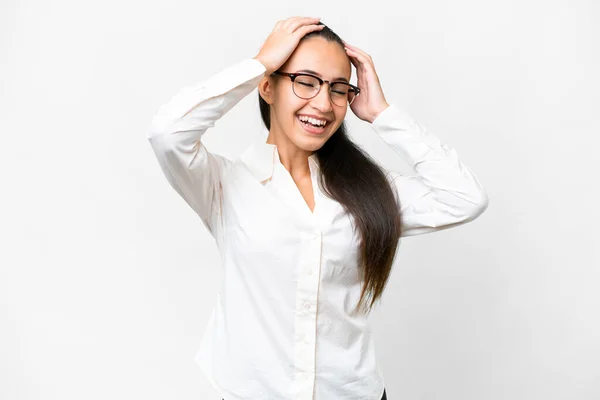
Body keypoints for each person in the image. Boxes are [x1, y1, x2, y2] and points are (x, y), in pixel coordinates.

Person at [146, 16, 488, 400]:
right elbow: (167, 134)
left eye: (338, 89)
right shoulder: (224, 185)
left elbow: (465, 198)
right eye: (305, 81)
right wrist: (259, 62)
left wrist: (382, 115)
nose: (323, 104)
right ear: (268, 88)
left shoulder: (369, 189)